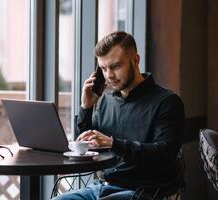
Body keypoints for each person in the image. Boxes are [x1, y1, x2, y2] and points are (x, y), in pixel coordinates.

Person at [53, 31, 185, 200]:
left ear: (135, 61)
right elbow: (85, 146)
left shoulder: (167, 102)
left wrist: (113, 144)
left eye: (115, 66)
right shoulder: (104, 102)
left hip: (145, 192)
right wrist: (86, 107)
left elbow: (164, 153)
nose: (109, 75)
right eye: (103, 68)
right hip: (101, 188)